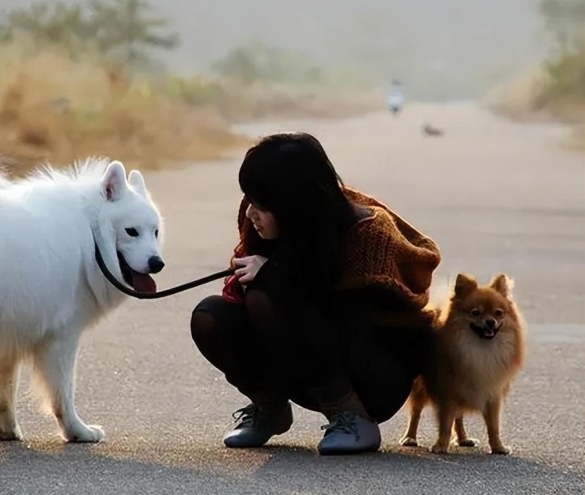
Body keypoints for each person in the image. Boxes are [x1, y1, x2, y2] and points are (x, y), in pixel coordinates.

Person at [189, 132, 441, 455]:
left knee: (269, 289)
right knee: (209, 317)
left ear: (295, 204)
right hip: (305, 356)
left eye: (262, 205)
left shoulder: (368, 234)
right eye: (250, 199)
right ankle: (271, 409)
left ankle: (352, 417)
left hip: (371, 372)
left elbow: (357, 323)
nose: (251, 212)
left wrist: (277, 275)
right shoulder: (268, 221)